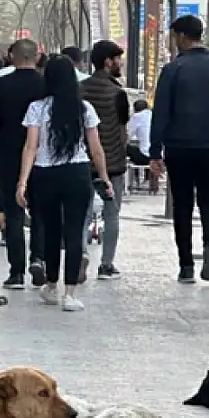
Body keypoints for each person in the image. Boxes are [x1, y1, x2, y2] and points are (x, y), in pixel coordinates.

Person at [149, 15, 209, 283]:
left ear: (180, 36)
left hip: (179, 148)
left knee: (182, 205)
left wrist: (155, 153)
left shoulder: (173, 70)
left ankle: (186, 265)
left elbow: (161, 114)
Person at [17, 55, 112, 311]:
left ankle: (50, 285)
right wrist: (104, 178)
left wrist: (22, 182)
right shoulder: (84, 109)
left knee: (50, 231)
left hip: (45, 174)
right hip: (77, 174)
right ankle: (69, 293)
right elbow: (96, 149)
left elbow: (30, 147)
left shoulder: (37, 108)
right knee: (74, 232)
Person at [0, 39, 49, 289]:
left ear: (12, 57)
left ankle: (16, 272)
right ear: (37, 57)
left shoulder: (0, 84)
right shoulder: (46, 85)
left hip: (7, 154)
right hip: (42, 156)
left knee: (13, 213)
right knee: (41, 211)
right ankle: (39, 258)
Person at [81, 40, 130, 281]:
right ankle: (106, 264)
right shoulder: (118, 93)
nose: (120, 63)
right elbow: (122, 131)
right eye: (118, 59)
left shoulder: (80, 89)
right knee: (112, 214)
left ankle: (80, 255)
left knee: (83, 213)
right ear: (107, 62)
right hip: (112, 165)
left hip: (82, 162)